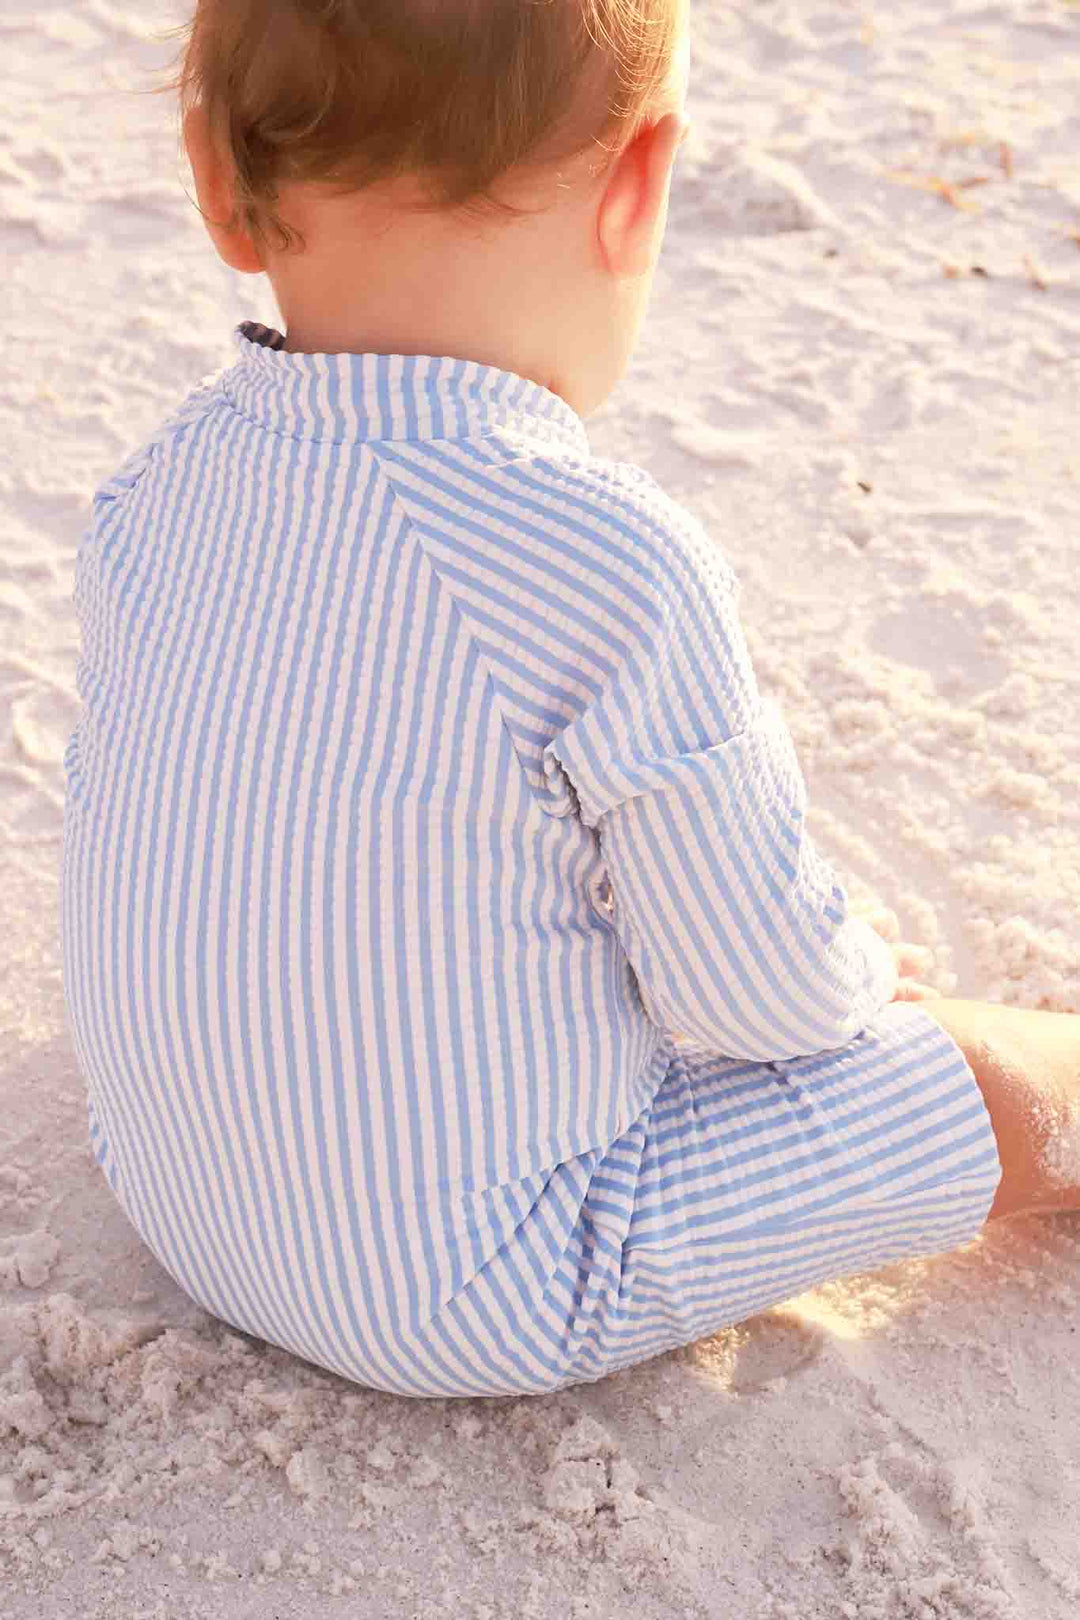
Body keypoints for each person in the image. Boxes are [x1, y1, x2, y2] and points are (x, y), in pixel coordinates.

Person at [60, 0, 1079, 1400]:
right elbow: (759, 1001)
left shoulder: (150, 493)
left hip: (171, 1187)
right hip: (480, 1287)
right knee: (980, 1075)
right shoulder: (602, 558)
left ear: (215, 180)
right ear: (639, 186)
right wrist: (844, 970)